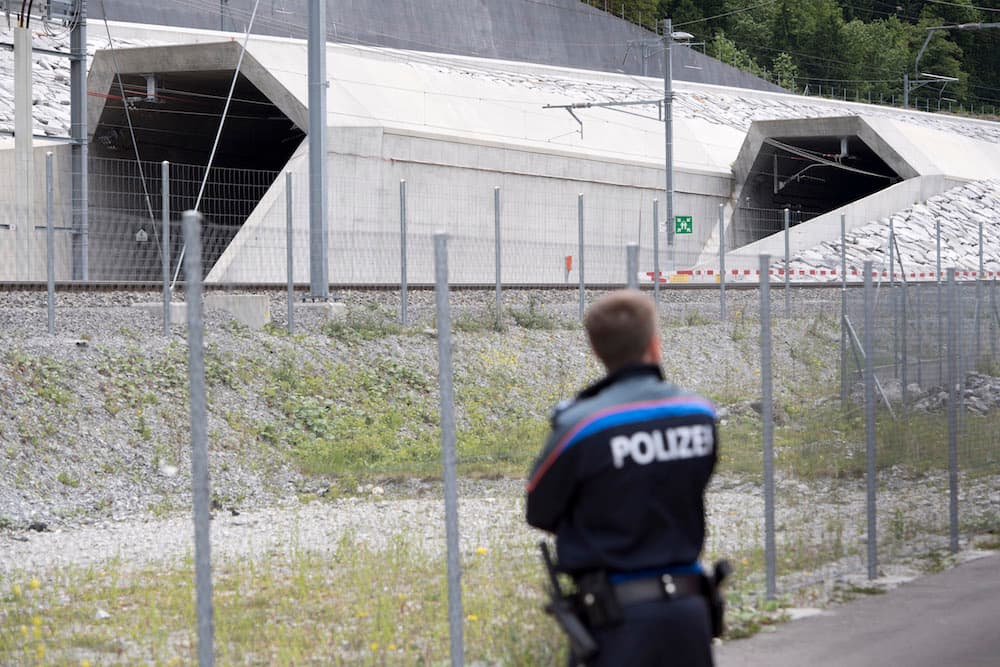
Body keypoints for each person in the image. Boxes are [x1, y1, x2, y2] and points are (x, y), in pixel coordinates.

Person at [526, 289, 719, 666]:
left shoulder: (580, 427)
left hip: (617, 623)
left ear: (597, 351)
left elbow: (540, 511)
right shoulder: (698, 413)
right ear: (655, 344)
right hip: (689, 615)